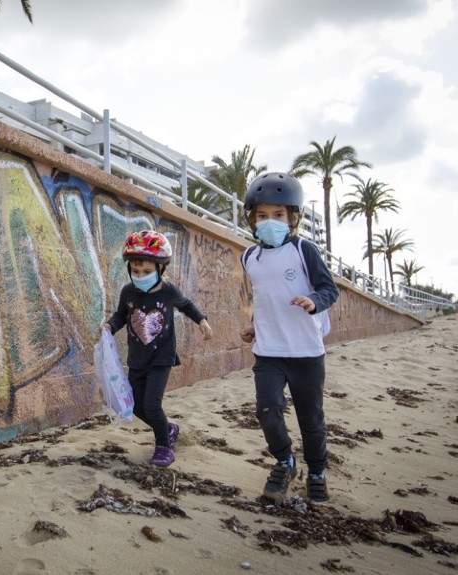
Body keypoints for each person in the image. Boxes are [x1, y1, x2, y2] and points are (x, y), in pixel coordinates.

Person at [239, 172, 339, 503]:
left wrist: (314, 303)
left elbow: (330, 289)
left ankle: (316, 471)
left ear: (293, 217)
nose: (270, 221)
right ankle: (285, 461)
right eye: (263, 215)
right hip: (268, 352)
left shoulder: (303, 250)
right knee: (267, 410)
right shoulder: (249, 257)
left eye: (278, 215)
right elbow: (265, 296)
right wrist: (256, 324)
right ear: (252, 219)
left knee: (311, 420)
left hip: (307, 353)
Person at [104, 230, 213, 467]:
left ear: (160, 269)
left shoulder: (168, 291)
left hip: (161, 358)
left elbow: (186, 305)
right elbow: (121, 316)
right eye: (135, 271)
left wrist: (202, 321)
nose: (140, 276)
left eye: (146, 272)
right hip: (137, 359)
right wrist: (109, 326)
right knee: (135, 406)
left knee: (152, 404)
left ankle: (163, 446)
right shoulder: (128, 292)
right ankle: (168, 428)